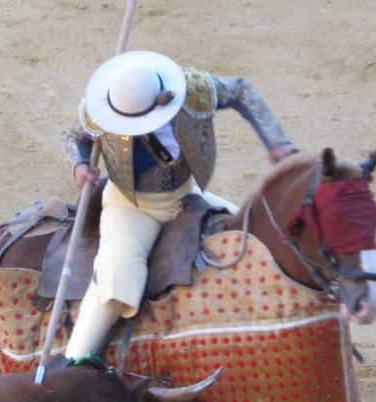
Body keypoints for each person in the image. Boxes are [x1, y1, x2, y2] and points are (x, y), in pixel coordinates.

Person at [59, 50, 297, 363]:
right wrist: (80, 166)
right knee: (116, 275)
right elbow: (75, 136)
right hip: (132, 207)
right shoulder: (101, 107)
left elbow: (241, 90)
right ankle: (72, 364)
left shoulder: (193, 87)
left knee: (253, 234)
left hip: (186, 195)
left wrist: (276, 141)